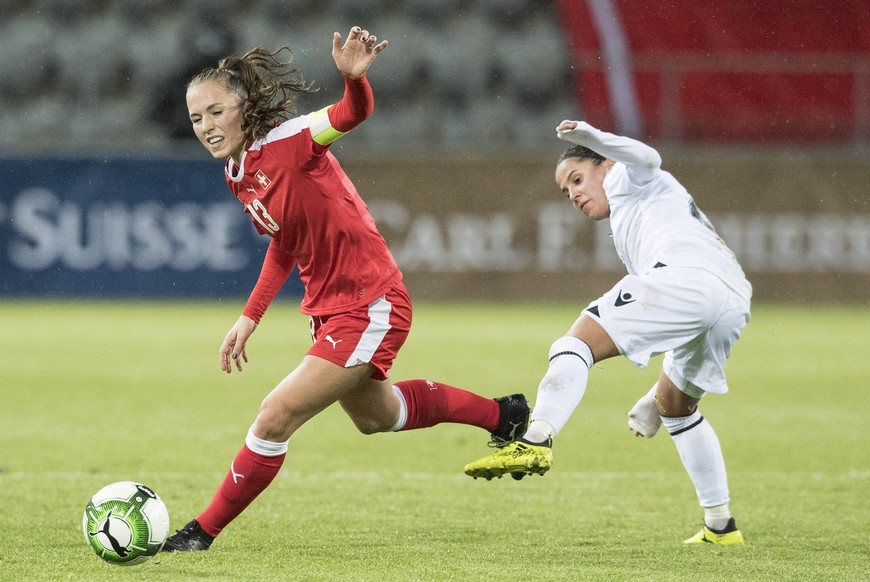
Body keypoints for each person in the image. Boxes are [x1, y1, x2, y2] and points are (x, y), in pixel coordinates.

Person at [162, 26, 529, 552]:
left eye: (216, 112)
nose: (206, 126)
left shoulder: (291, 141)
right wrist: (250, 316)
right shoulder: (237, 172)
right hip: (331, 309)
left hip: (369, 302)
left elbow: (349, 115)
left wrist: (353, 82)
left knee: (274, 416)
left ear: (244, 106)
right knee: (377, 417)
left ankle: (201, 532)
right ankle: (506, 415)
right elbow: (285, 243)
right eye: (196, 118)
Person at [463, 120, 752, 545]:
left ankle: (536, 437)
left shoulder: (627, 176)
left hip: (686, 280)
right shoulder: (645, 208)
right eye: (566, 191)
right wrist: (656, 396)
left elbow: (648, 157)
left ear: (606, 165)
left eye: (578, 179)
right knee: (677, 407)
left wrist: (591, 137)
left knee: (573, 345)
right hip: (732, 297)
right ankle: (721, 526)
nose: (574, 194)